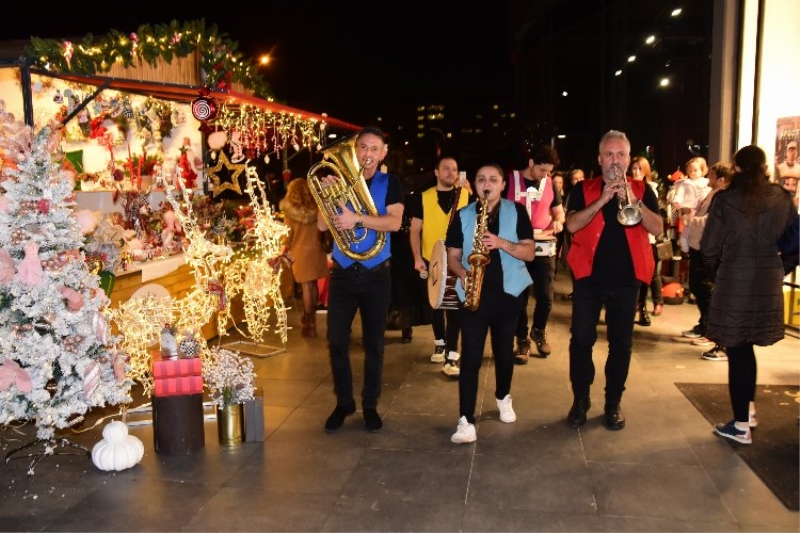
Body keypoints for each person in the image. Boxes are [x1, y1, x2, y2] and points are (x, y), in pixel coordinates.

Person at [564, 130, 662, 430]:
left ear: (629, 158)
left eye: (620, 154)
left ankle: (613, 402)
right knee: (581, 340)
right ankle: (580, 399)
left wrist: (633, 200)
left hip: (627, 279)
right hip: (589, 277)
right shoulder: (583, 188)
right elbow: (570, 224)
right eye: (609, 154)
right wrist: (602, 199)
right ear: (599, 158)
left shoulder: (644, 190)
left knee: (621, 344)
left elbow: (657, 229)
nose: (615, 160)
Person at [700, 145, 797, 445]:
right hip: (768, 279)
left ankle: (740, 425)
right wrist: (781, 266)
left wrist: (717, 271)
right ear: (764, 167)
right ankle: (749, 412)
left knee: (737, 349)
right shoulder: (782, 197)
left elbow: (709, 248)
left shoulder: (726, 200)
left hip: (735, 280)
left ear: (737, 168)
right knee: (748, 346)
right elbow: (795, 239)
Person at [317, 127, 403, 433]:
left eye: (374, 148)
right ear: (355, 151)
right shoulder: (339, 181)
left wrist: (357, 219)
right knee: (336, 341)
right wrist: (326, 195)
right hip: (342, 272)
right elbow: (322, 226)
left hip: (376, 274)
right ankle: (344, 402)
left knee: (374, 345)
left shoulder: (390, 182)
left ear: (383, 153)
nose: (367, 153)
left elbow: (394, 222)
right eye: (362, 147)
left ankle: (369, 404)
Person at [445, 163, 535, 443]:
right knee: (470, 356)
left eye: (493, 179)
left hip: (509, 295)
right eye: (481, 179)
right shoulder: (462, 215)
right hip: (474, 296)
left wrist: (500, 243)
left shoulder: (517, 211)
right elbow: (453, 256)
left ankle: (502, 396)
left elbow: (530, 253)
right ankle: (465, 420)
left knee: (503, 353)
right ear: (474, 183)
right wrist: (462, 274)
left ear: (503, 185)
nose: (487, 184)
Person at [409, 155, 470, 376]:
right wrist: (417, 258)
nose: (450, 173)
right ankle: (440, 341)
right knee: (435, 304)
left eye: (454, 169)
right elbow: (415, 230)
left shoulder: (466, 195)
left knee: (455, 306)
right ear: (436, 172)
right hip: (431, 258)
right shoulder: (422, 198)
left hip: (457, 259)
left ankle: (452, 355)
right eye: (445, 168)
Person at [505, 145, 565, 363]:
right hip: (517, 246)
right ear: (531, 163)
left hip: (543, 247)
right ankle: (521, 339)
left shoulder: (550, 184)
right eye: (542, 170)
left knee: (546, 296)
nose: (545, 175)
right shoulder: (510, 180)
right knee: (518, 297)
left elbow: (559, 213)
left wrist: (558, 221)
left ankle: (538, 330)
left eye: (548, 171)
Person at [681, 161, 733, 358]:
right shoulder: (713, 194)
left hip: (707, 247)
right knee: (697, 286)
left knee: (704, 288)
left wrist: (690, 220)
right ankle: (705, 326)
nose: (707, 178)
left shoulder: (722, 196)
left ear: (720, 179)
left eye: (710, 175)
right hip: (699, 245)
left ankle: (711, 331)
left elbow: (711, 222)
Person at [280, 178, 330, 338]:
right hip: (317, 252)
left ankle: (310, 324)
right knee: (314, 286)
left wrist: (281, 253)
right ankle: (311, 319)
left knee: (306, 288)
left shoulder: (291, 213)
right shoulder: (317, 210)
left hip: (300, 253)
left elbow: (287, 238)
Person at [630, 156, 664, 326]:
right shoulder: (626, 185)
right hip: (629, 237)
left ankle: (642, 308)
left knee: (645, 275)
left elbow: (654, 218)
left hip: (646, 237)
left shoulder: (650, 189)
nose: (635, 172)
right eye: (633, 168)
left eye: (639, 168)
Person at [560, 168, 585, 301]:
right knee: (574, 263)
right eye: (575, 179)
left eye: (581, 178)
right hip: (573, 234)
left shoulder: (589, 192)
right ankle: (577, 290)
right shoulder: (572, 194)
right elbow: (565, 211)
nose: (578, 181)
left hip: (586, 235)